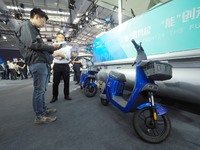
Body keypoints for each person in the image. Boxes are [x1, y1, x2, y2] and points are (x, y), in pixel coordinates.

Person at [15, 8, 60, 124]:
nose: (43, 24)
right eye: (43, 21)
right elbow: (33, 44)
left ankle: (43, 110)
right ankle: (39, 116)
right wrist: (51, 48)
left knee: (42, 89)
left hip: (41, 61)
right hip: (36, 62)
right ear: (36, 16)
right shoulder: (25, 26)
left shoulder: (33, 29)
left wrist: (50, 49)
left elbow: (38, 45)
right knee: (39, 90)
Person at [50, 32, 72, 103]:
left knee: (67, 82)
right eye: (59, 37)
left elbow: (68, 56)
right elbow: (53, 55)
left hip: (66, 65)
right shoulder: (53, 46)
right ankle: (54, 96)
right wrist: (63, 55)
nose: (61, 38)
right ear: (56, 38)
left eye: (62, 37)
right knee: (55, 82)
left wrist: (59, 55)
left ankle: (66, 95)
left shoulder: (68, 47)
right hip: (57, 65)